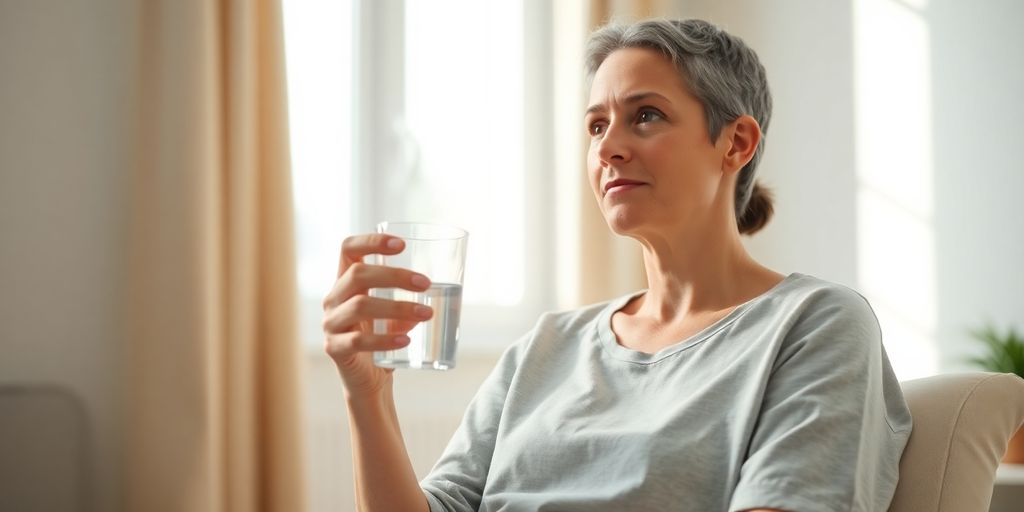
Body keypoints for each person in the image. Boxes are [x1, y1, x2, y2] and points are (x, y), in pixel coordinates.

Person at [321, 18, 912, 512]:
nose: (607, 147)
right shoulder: (546, 345)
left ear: (735, 143)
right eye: (596, 124)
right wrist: (366, 395)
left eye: (646, 115)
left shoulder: (814, 324)